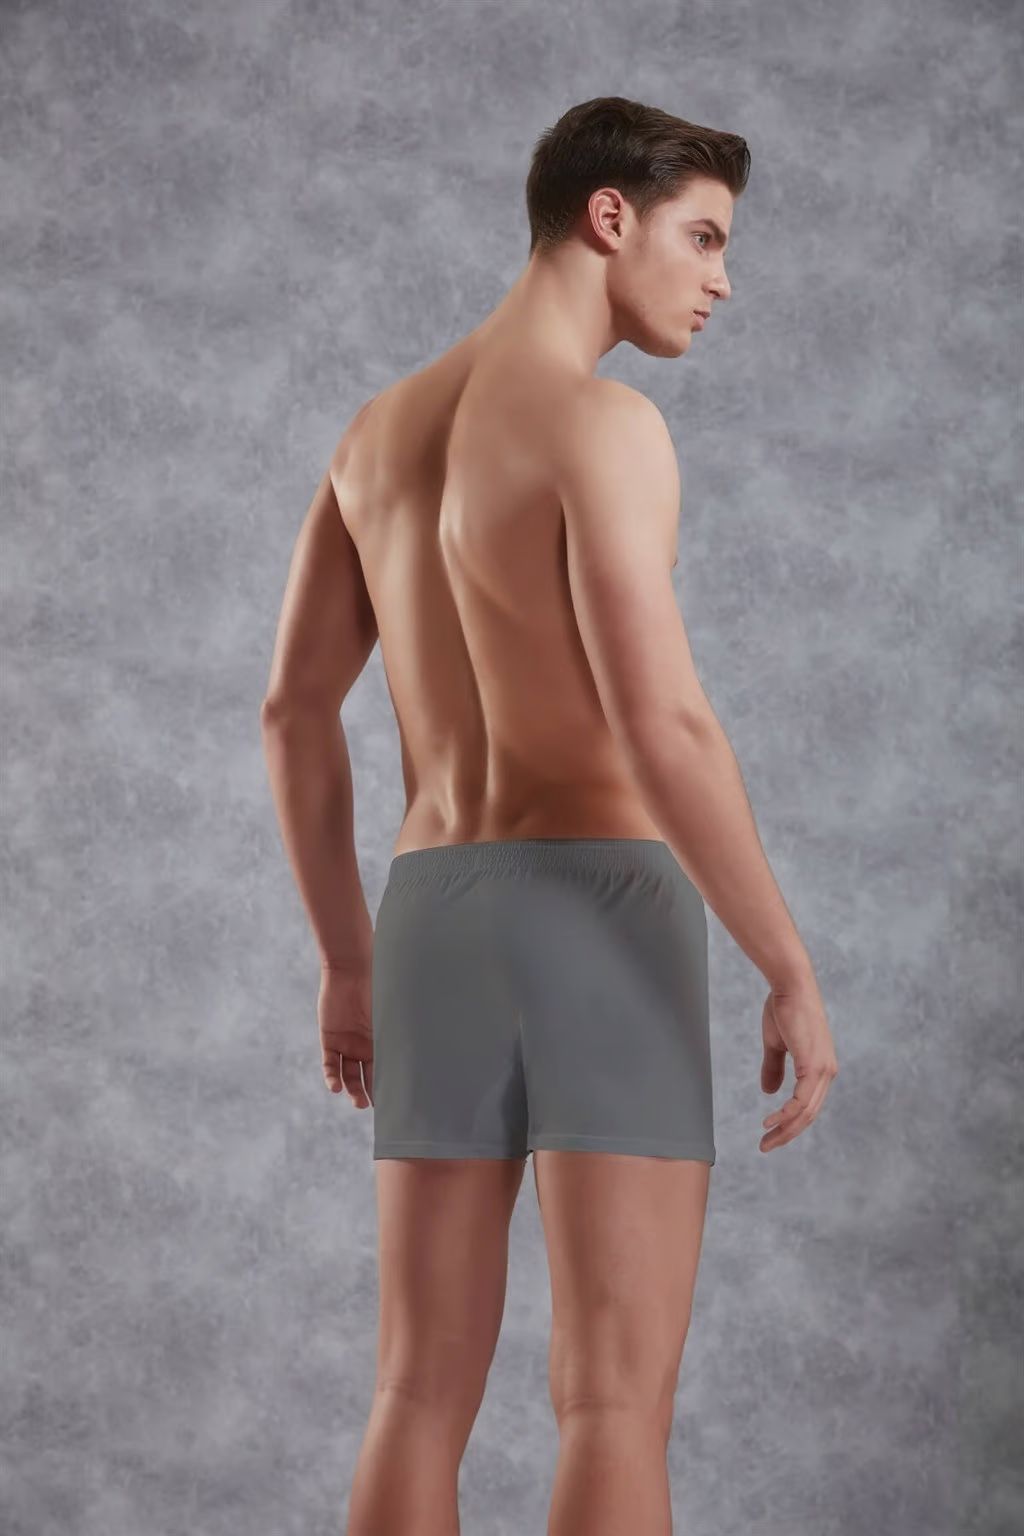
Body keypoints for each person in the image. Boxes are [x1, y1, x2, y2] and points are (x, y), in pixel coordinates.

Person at [260, 95, 838, 1536]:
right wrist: (787, 964)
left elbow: (292, 712)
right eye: (704, 238)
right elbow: (663, 721)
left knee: (414, 1393)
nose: (721, 280)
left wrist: (344, 959)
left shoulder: (374, 436)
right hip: (601, 911)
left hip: (431, 916)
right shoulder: (603, 424)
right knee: (612, 1403)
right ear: (609, 216)